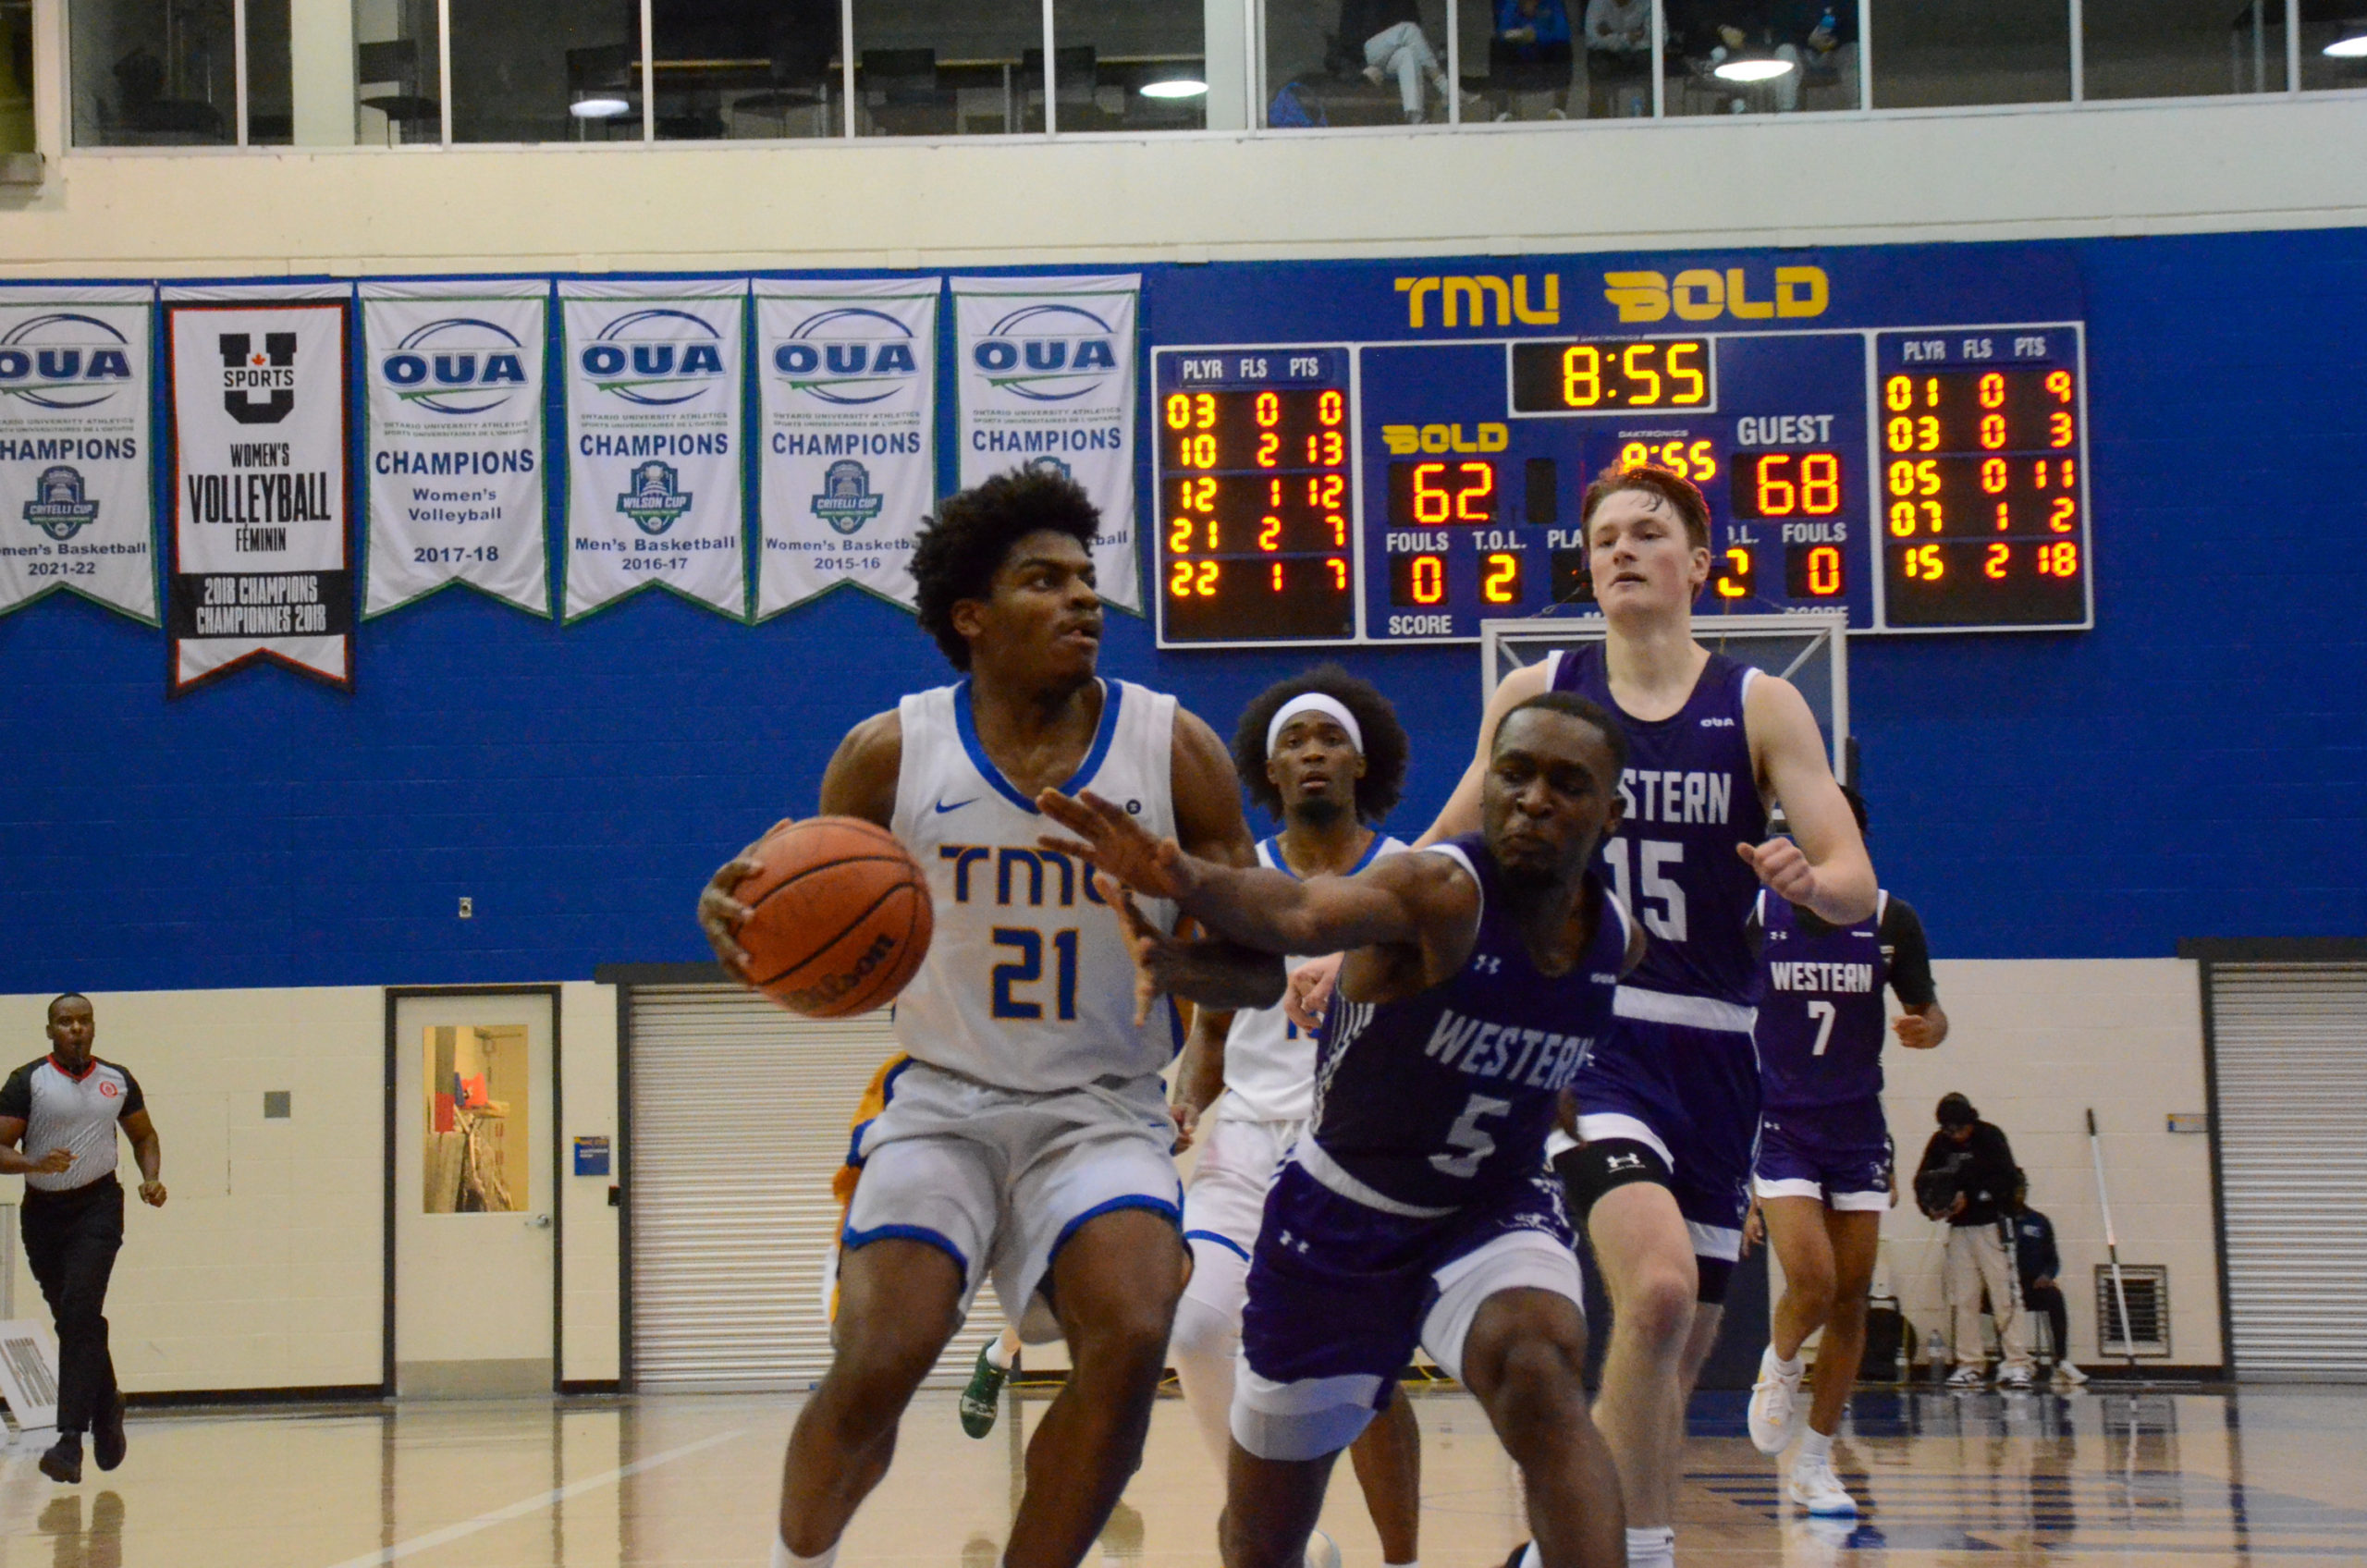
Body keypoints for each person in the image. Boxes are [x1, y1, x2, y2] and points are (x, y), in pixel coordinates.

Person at [1296, 464, 1874, 1568]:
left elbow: (1854, 876)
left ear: (1698, 560)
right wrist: (1352, 933)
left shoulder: (1759, 703)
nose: (1618, 549)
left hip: (1715, 1050)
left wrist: (1811, 881)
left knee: (1678, 1345)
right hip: (1587, 1035)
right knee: (1653, 1293)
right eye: (1603, 535)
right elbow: (1443, 845)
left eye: (1647, 532)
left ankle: (1584, 1547)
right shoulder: (1540, 692)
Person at [698, 470, 1277, 1568]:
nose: (1082, 601)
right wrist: (735, 923)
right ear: (970, 616)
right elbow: (800, 928)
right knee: (880, 1360)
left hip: (1102, 1108)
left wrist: (1187, 954)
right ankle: (797, 1558)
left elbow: (1256, 973)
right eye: (1042, 581)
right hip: (944, 1105)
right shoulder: (889, 752)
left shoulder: (1174, 748)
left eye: (1086, 580)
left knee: (1136, 1327)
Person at [1040, 690, 1646, 1568]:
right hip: (1341, 1219)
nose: (1534, 799)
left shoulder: (1615, 942)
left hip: (1492, 1208)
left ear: (1610, 814)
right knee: (1265, 1535)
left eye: (1567, 783)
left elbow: (1551, 1056)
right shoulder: (1437, 889)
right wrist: (1179, 876)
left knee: (1541, 1375)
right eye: (1513, 775)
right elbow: (1298, 915)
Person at [1166, 667, 1422, 1568]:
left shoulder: (1408, 875)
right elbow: (1216, 1015)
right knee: (1196, 1323)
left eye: (1327, 738)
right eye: (1292, 743)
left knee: (1368, 1375)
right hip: (1248, 1131)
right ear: (1268, 773)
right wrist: (1192, 1082)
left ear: (1361, 762)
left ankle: (1399, 1556)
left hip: (1357, 1142)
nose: (1311, 752)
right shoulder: (1240, 873)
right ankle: (1272, 1528)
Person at [1739, 786, 1947, 1517]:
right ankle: (1780, 1363)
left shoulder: (1892, 919)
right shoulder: (1755, 914)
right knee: (1816, 1281)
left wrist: (1930, 1028)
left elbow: (1930, 1010)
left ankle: (1817, 1464)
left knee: (1854, 1298)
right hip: (1782, 1121)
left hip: (1858, 1126)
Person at [0, 994, 167, 1485]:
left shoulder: (116, 1080)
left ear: (94, 1027)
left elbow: (144, 1137)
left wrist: (150, 1178)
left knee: (79, 1310)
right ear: (50, 1030)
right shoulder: (28, 1081)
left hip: (98, 1207)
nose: (76, 1028)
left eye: (83, 1020)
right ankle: (107, 1403)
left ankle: (70, 1439)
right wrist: (34, 1163)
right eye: (65, 1022)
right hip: (44, 1213)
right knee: (73, 1319)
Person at [1914, 1094, 2034, 1389]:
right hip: (1959, 1229)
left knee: (2004, 1294)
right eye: (1949, 1130)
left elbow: (2008, 1179)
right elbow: (1923, 1180)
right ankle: (1970, 1363)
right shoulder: (1939, 1143)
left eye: (1959, 1129)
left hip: (1992, 1224)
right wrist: (1932, 1206)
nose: (1955, 1135)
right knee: (1963, 1297)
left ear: (1971, 1121)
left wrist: (1973, 1195)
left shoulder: (1990, 1137)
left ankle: (2018, 1362)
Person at [2009, 1177, 2086, 1388]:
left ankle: (2060, 1360)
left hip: (2032, 1285)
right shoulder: (1998, 1221)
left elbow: (2053, 1260)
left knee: (2055, 1297)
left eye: (2022, 1189)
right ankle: (2012, 1362)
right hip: (2003, 1288)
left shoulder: (2039, 1221)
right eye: (2014, 1190)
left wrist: (2047, 1275)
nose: (2019, 1194)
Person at [1343, 0, 1466, 123]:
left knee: (1408, 54)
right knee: (1409, 29)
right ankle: (1445, 87)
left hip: (1391, 59)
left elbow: (1418, 38)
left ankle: (1416, 120)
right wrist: (1362, 67)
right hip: (1369, 53)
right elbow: (1347, 39)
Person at [1490, 0, 1575, 119]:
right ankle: (1503, 112)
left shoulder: (1553, 4)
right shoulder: (1512, 5)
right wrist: (1521, 35)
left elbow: (1564, 33)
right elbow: (1502, 33)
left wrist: (1536, 35)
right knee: (1498, 48)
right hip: (1519, 61)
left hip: (1546, 60)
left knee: (1564, 49)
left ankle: (1559, 110)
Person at [1580, 0, 1652, 116]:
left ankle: (1654, 120)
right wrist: (1629, 37)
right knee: (1597, 60)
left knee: (1653, 59)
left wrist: (1611, 35)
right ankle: (1599, 119)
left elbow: (1661, 36)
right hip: (1608, 55)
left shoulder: (1648, 2)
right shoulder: (1597, 3)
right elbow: (1592, 39)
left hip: (1639, 54)